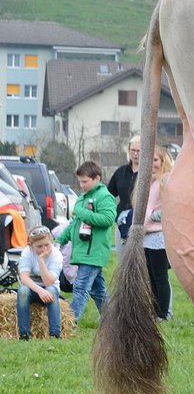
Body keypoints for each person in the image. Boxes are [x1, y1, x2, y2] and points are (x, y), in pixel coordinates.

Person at [55, 160, 117, 324]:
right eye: (80, 181)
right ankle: (112, 320)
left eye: (85, 181)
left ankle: (68, 323)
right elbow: (74, 224)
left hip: (93, 252)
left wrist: (81, 212)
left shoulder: (105, 197)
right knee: (97, 290)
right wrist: (60, 240)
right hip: (82, 252)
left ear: (97, 179)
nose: (81, 185)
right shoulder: (82, 198)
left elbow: (108, 219)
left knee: (80, 288)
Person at [16, 225, 64, 340]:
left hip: (49, 288)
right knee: (22, 290)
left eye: (47, 245)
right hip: (33, 289)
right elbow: (24, 278)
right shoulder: (27, 252)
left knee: (51, 290)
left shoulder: (56, 255)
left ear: (51, 241)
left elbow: (48, 282)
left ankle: (55, 334)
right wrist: (40, 291)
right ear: (31, 245)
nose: (44, 249)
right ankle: (24, 334)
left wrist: (41, 260)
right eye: (39, 246)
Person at [143, 147, 175, 320]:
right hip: (146, 236)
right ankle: (156, 311)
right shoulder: (151, 181)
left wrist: (154, 217)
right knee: (151, 277)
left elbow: (172, 205)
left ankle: (164, 313)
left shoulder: (166, 179)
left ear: (163, 161)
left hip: (158, 236)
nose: (152, 164)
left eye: (155, 160)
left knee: (160, 276)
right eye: (150, 160)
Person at [107, 135, 140, 256]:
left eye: (139, 151)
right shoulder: (121, 172)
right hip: (121, 221)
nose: (135, 154)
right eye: (133, 150)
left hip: (140, 224)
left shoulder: (149, 174)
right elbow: (109, 194)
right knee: (122, 260)